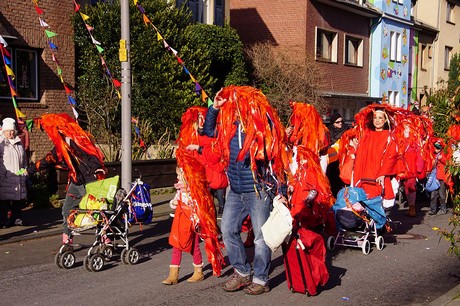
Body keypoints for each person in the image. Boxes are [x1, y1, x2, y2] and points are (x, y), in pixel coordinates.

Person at [202, 86, 287, 295]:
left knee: (260, 237)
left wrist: (281, 189)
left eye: (240, 103)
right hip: (235, 190)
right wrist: (214, 107)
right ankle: (242, 272)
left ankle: (261, 279)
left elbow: (277, 158)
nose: (237, 107)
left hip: (257, 190)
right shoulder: (228, 125)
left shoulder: (261, 126)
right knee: (228, 230)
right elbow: (208, 131)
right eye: (234, 103)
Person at [27, 114, 106, 245]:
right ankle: (67, 240)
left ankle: (105, 237)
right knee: (67, 210)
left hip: (89, 181)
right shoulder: (60, 145)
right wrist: (29, 170)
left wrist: (97, 169)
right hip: (76, 181)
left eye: (49, 131)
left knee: (96, 211)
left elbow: (92, 153)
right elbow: (49, 160)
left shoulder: (77, 140)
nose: (48, 135)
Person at [162, 166, 204, 285]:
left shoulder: (194, 191)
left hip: (191, 222)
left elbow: (198, 207)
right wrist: (173, 203)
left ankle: (198, 271)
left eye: (179, 175)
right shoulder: (180, 190)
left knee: (194, 247)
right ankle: (173, 275)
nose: (177, 177)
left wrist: (196, 221)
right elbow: (174, 201)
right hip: (180, 222)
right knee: (177, 245)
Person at [353, 106, 398, 208]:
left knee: (378, 205)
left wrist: (382, 173)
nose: (377, 121)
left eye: (380, 118)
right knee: (364, 205)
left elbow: (391, 157)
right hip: (365, 174)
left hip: (379, 175)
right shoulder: (367, 134)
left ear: (385, 120)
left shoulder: (389, 137)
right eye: (375, 118)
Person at [0, 117, 28, 228]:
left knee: (18, 200)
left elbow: (24, 158)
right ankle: (3, 221)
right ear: (4, 131)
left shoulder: (18, 142)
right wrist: (2, 175)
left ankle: (17, 219)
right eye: (9, 130)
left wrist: (24, 171)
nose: (12, 132)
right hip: (6, 176)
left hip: (18, 176)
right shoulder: (1, 143)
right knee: (4, 201)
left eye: (13, 130)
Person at [326, 112, 350, 196]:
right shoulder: (328, 132)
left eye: (341, 122)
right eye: (337, 122)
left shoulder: (347, 130)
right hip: (331, 160)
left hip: (343, 159)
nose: (340, 123)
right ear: (333, 123)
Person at [428, 140, 448, 215]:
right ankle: (433, 209)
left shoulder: (444, 154)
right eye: (436, 148)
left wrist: (441, 158)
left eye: (438, 148)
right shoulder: (433, 154)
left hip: (441, 177)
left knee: (442, 194)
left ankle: (443, 208)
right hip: (435, 177)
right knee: (433, 194)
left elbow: (447, 162)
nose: (436, 149)